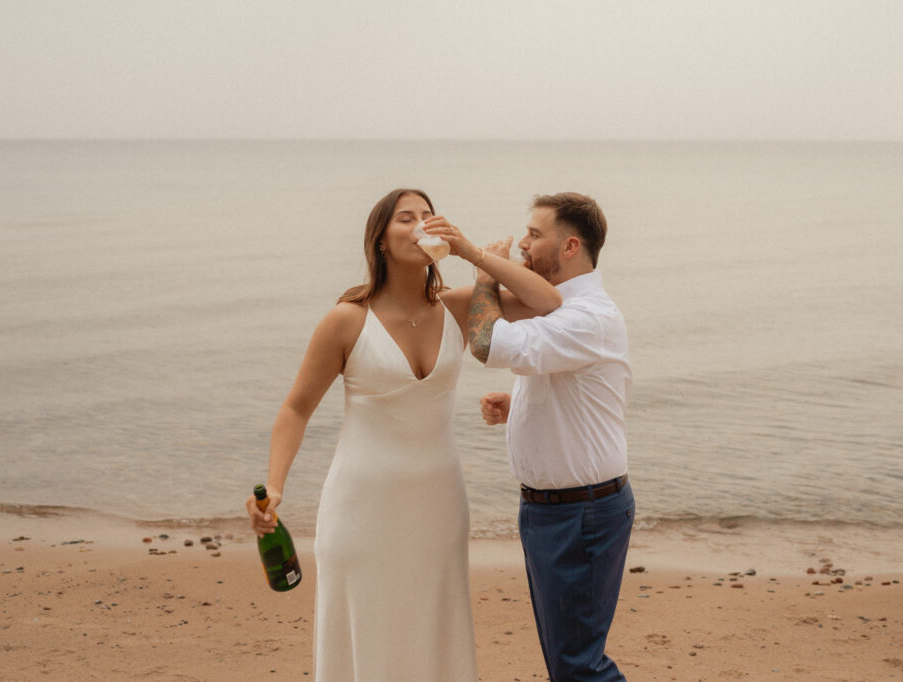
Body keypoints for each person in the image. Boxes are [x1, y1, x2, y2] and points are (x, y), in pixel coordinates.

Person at [244, 188, 561, 681]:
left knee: (434, 632)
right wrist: (276, 486)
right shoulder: (347, 320)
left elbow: (548, 304)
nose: (420, 224)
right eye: (405, 218)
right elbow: (296, 408)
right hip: (360, 507)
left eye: (430, 217)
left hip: (438, 505)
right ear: (381, 242)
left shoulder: (458, 308)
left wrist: (474, 255)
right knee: (366, 634)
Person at [469, 192, 634, 681]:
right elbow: (584, 392)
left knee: (578, 666)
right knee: (569, 663)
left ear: (570, 246)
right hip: (557, 511)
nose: (522, 242)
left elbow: (485, 343)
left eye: (535, 234)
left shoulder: (588, 317)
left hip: (578, 514)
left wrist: (483, 272)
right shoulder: (562, 310)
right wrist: (520, 404)